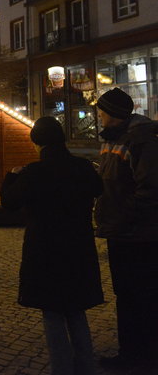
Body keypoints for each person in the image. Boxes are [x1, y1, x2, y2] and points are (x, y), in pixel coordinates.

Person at [1, 116, 103, 375]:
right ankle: (86, 366)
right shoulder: (83, 168)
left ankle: (61, 368)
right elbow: (99, 188)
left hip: (45, 250)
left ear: (37, 143)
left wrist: (11, 177)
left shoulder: (34, 172)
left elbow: (9, 202)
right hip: (79, 248)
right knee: (77, 311)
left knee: (53, 313)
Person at [92, 87, 158, 371]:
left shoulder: (141, 142)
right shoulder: (112, 140)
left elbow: (150, 189)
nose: (100, 118)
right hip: (120, 232)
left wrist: (125, 216)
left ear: (115, 116)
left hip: (138, 235)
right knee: (126, 295)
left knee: (141, 295)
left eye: (103, 113)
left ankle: (142, 355)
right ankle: (129, 351)